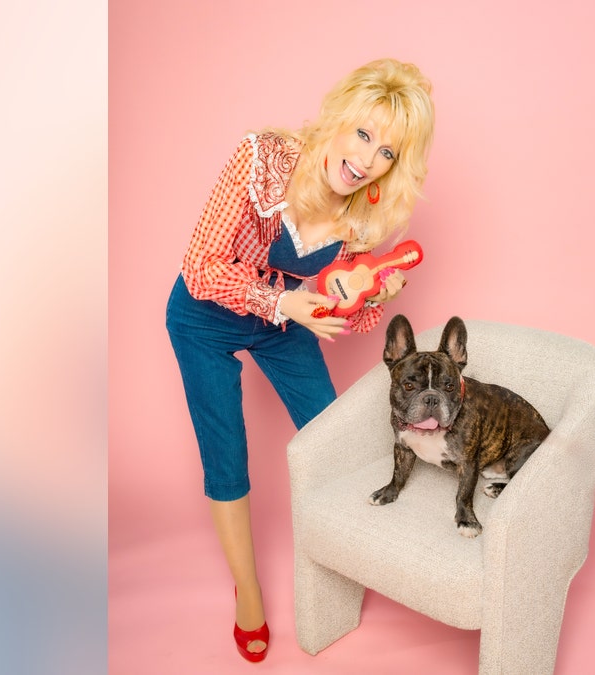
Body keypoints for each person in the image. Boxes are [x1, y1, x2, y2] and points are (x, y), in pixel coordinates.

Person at [165, 58, 435, 663]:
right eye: (364, 134)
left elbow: (341, 310)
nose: (367, 160)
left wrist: (375, 296)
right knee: (225, 452)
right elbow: (201, 266)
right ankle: (249, 589)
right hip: (205, 315)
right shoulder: (262, 158)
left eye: (387, 152)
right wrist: (284, 301)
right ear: (338, 119)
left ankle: (347, 557)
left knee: (331, 437)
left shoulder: (365, 212)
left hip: (286, 321)